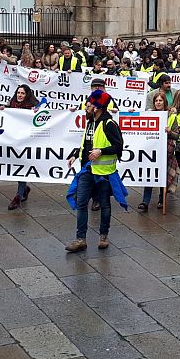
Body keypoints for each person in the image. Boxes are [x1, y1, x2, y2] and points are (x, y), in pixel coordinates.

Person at [65, 90, 124, 252]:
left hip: (103, 173)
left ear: (97, 107)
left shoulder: (109, 124)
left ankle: (103, 236)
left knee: (104, 204)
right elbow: (87, 144)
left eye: (89, 104)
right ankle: (80, 239)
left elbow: (119, 146)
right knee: (82, 202)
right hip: (87, 171)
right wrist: (76, 155)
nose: (86, 106)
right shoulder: (90, 121)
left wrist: (101, 151)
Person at [138, 92, 178, 211]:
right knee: (149, 175)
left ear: (164, 102)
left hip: (166, 151)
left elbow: (177, 136)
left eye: (160, 100)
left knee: (163, 176)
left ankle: (162, 199)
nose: (158, 103)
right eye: (156, 101)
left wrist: (170, 132)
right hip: (151, 150)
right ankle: (145, 202)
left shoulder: (171, 116)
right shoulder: (149, 114)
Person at [6, 85, 38, 210]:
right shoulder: (11, 105)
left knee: (21, 169)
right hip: (13, 142)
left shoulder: (32, 107)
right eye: (18, 93)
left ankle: (18, 197)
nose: (20, 95)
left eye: (22, 93)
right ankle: (24, 189)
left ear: (27, 95)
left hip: (26, 143)